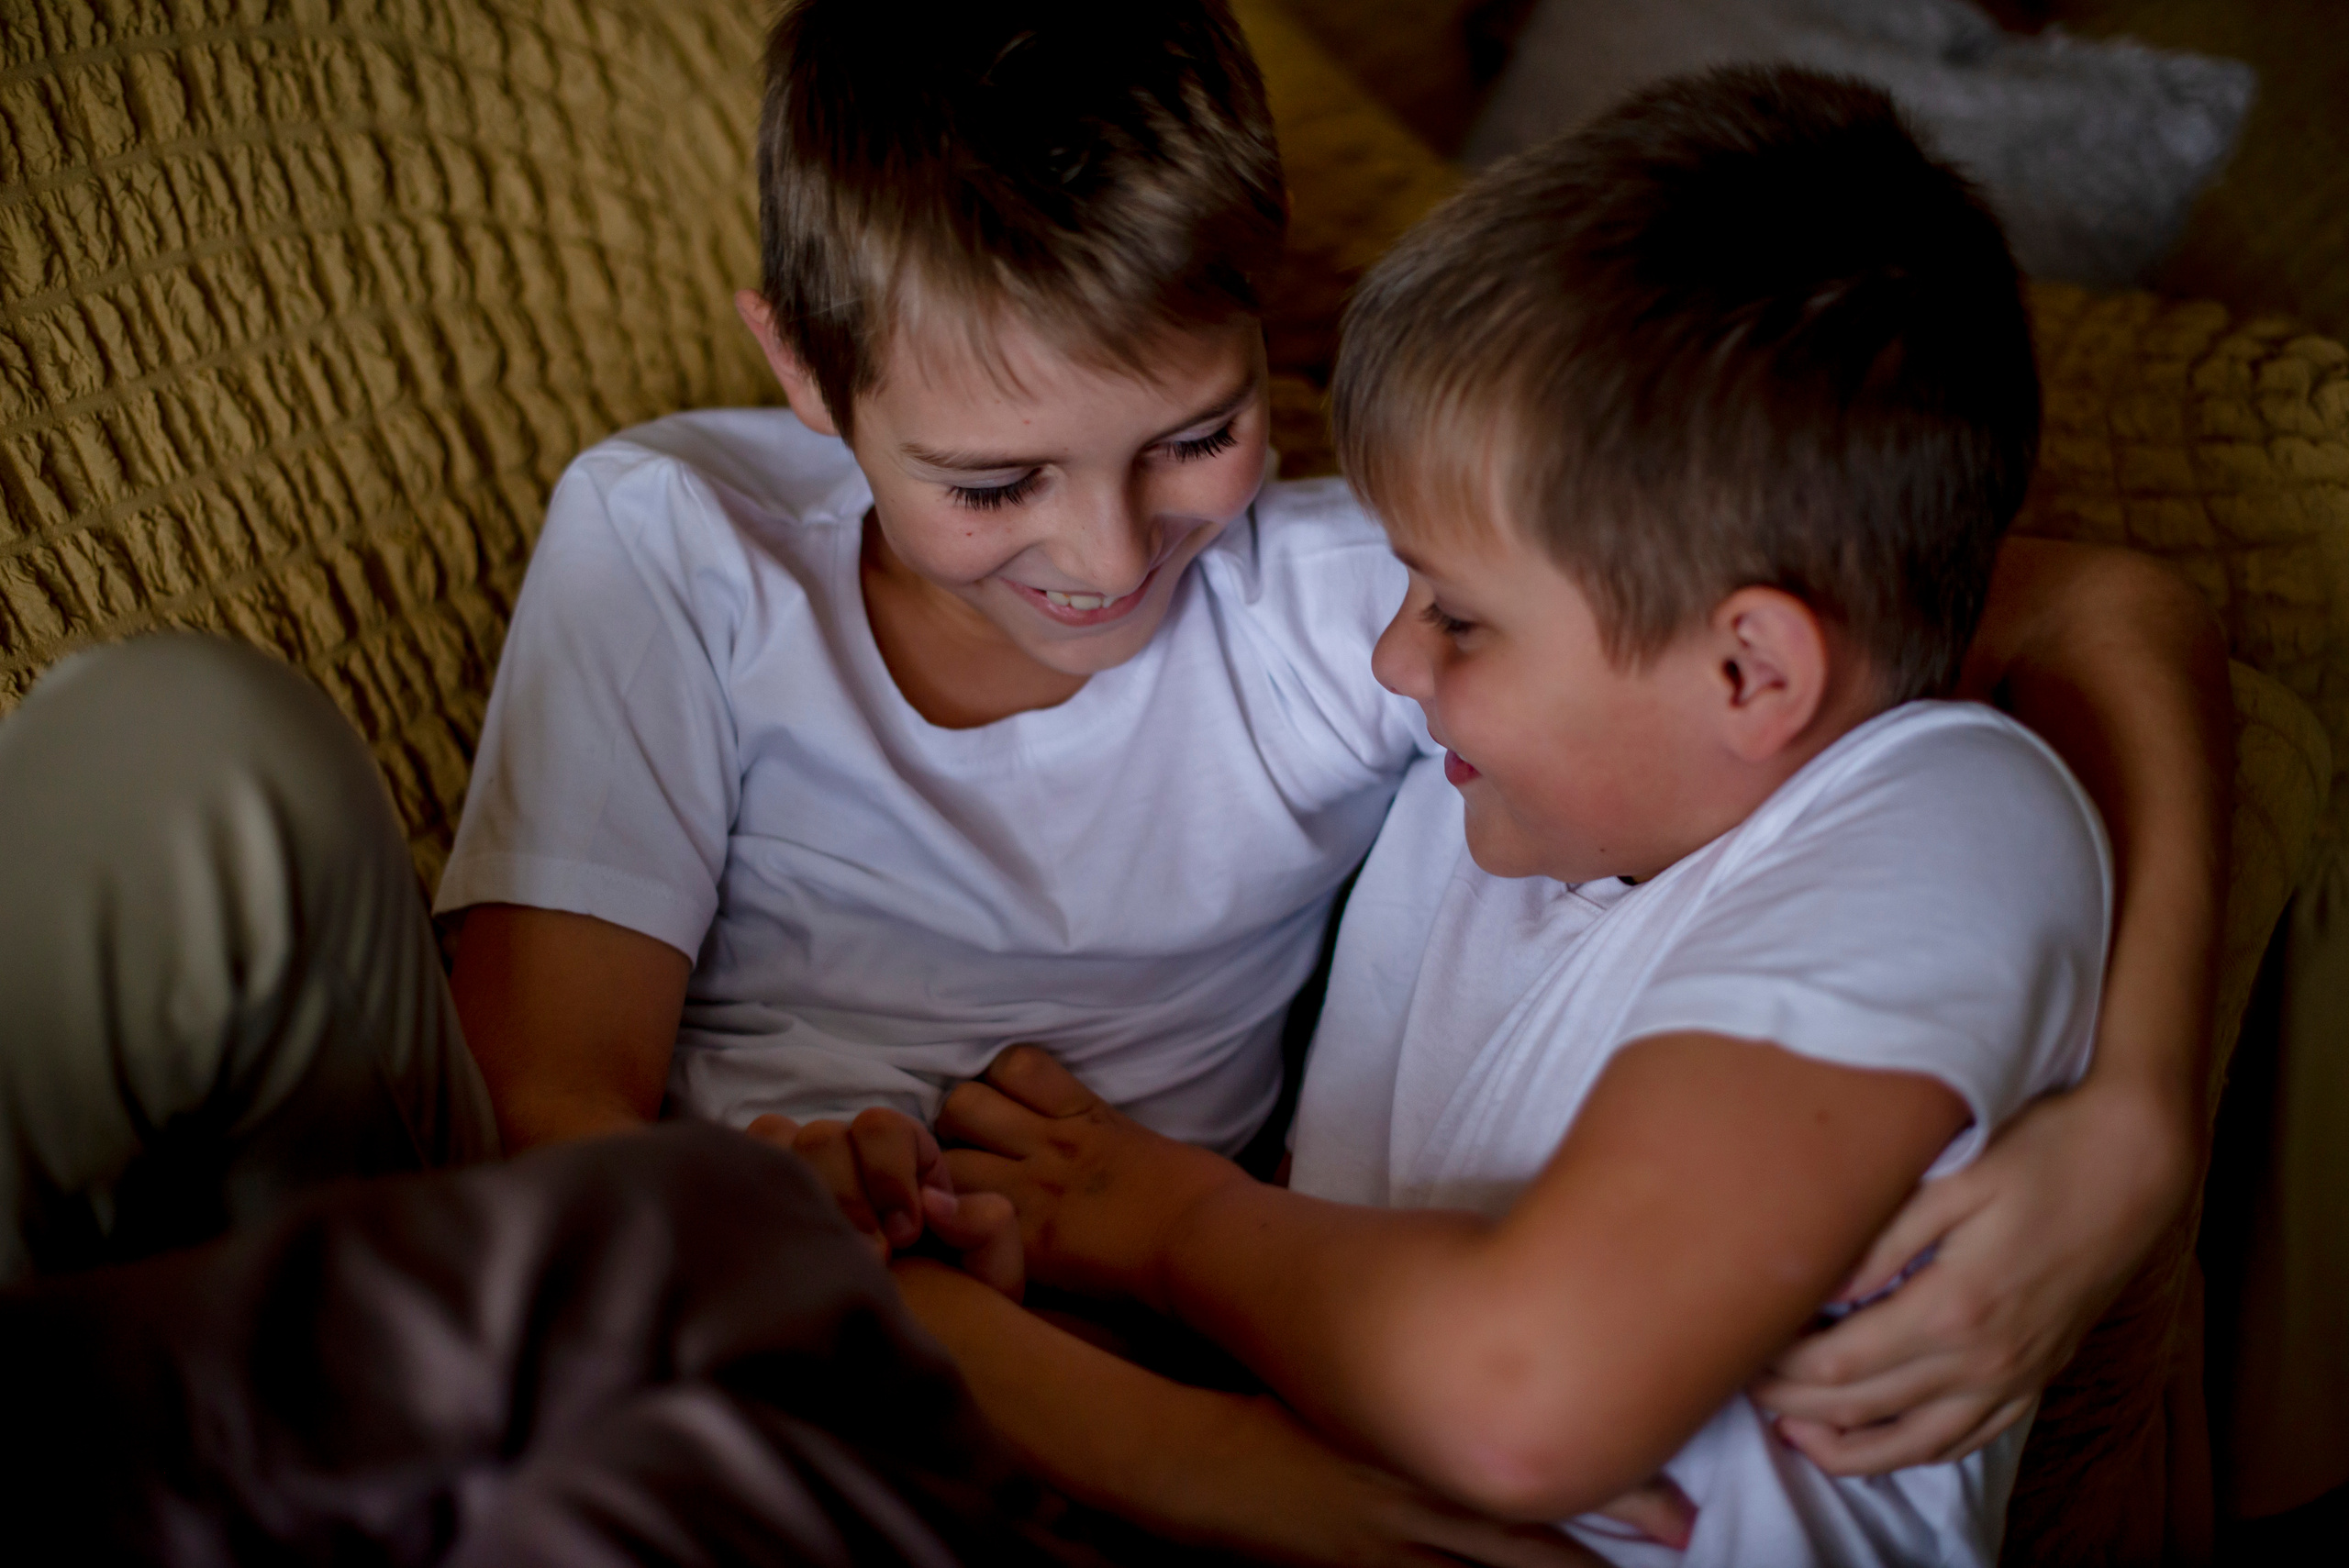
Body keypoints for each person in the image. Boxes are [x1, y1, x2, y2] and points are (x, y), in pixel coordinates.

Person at [431, 0, 2226, 1514]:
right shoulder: (679, 545)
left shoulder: (1374, 597)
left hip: (1152, 1321)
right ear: (808, 380)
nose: (1113, 557)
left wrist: (2137, 1117)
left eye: (1195, 436)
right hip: (760, 1307)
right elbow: (541, 1115)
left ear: (1260, 315)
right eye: (991, 483)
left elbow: (2082, 612)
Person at [928, 66, 2209, 1566]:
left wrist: (1162, 1223)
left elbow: (1525, 1398)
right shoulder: (1504, 804)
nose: (1393, 659)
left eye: (1459, 620)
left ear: (1750, 669)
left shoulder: (1932, 810)